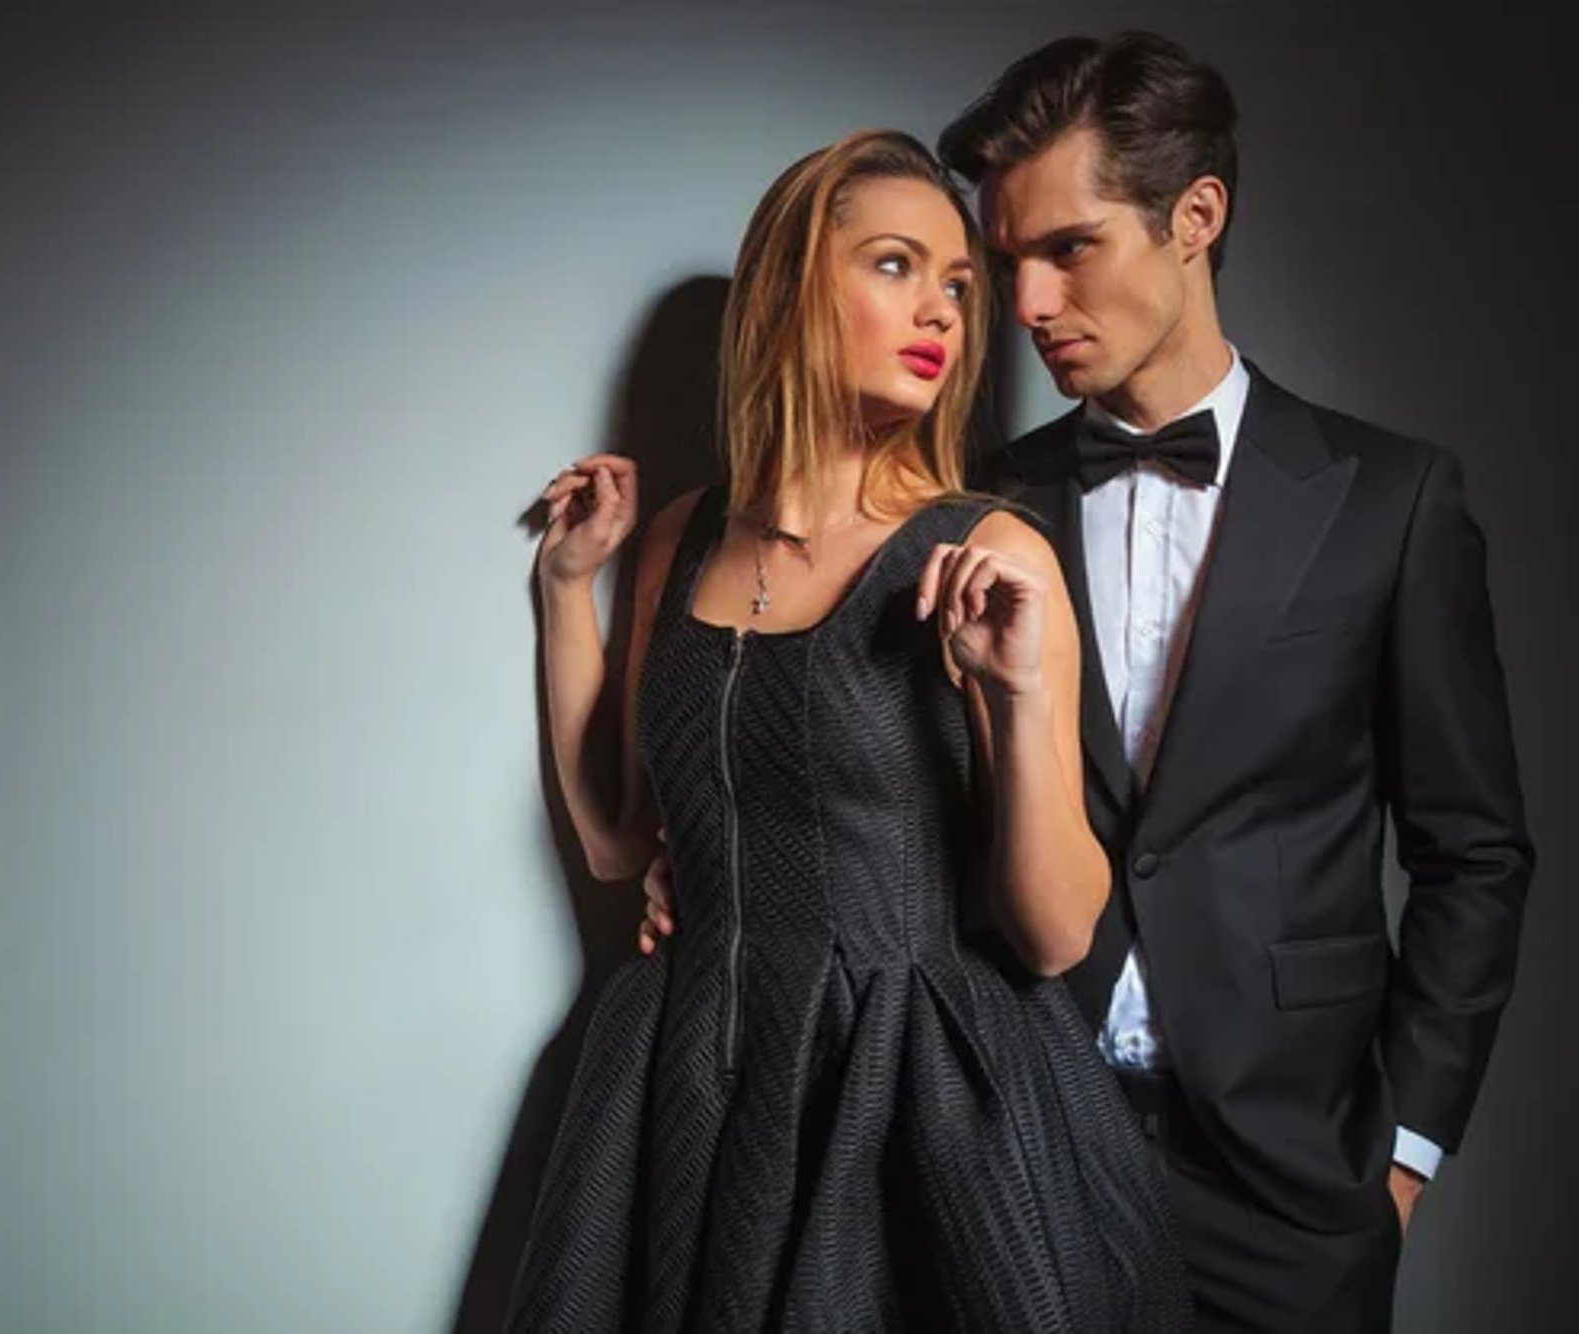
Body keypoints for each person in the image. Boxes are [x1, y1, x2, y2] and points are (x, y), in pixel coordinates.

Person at [648, 34, 1535, 1331]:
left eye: (1069, 248)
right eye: (1003, 263)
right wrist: (711, 850)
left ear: (1196, 218)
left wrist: (1399, 1157)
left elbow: (1475, 852)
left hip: (1292, 1171)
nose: (1022, 303)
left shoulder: (1391, 502)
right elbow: (865, 777)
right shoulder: (963, 511)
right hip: (1014, 1135)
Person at [509, 128, 1191, 1332]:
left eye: (956, 285)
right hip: (689, 1075)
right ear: (790, 291)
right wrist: (569, 591)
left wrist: (1022, 691)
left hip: (906, 1088)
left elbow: (1055, 929)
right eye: (893, 265)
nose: (939, 309)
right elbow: (621, 844)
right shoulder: (677, 538)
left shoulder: (987, 549)